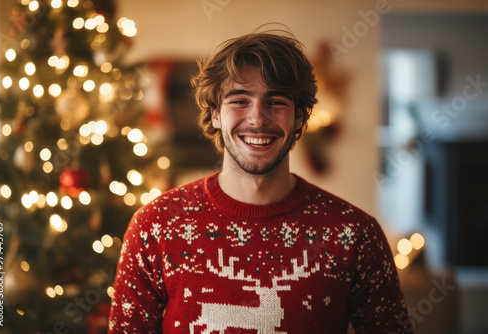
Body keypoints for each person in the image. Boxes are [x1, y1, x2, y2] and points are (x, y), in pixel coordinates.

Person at [108, 29, 412, 334]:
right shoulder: (155, 227)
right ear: (215, 113)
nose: (257, 118)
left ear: (300, 118)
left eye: (276, 102)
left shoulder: (355, 234)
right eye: (240, 100)